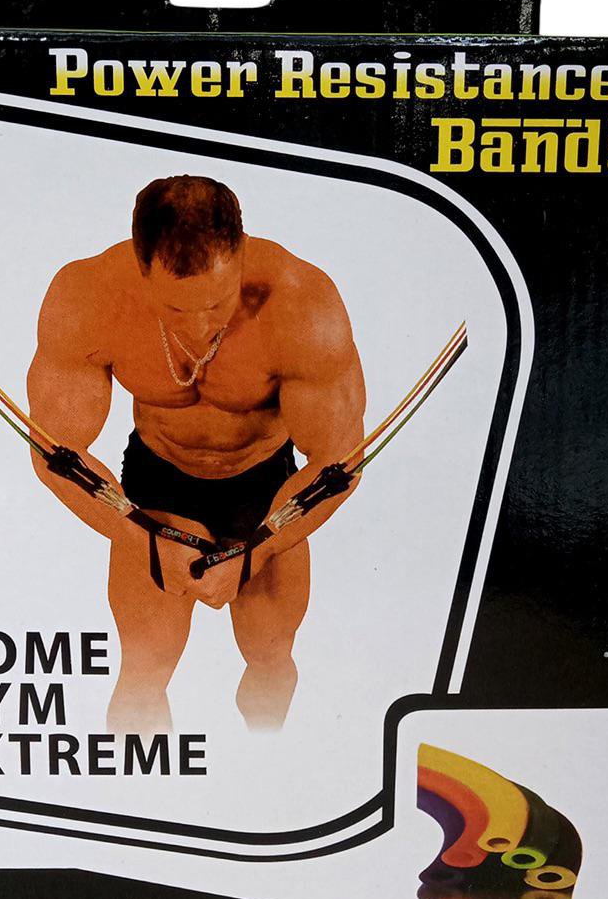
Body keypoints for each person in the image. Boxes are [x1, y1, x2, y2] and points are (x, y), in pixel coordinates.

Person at [27, 175, 365, 732]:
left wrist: (257, 551)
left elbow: (337, 462)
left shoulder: (302, 305)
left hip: (267, 488)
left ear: (240, 256)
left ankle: (266, 759)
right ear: (140, 270)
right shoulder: (90, 295)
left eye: (216, 303)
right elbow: (56, 450)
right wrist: (142, 538)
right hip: (158, 482)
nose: (201, 326)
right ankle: (137, 782)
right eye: (176, 310)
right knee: (144, 668)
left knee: (270, 654)